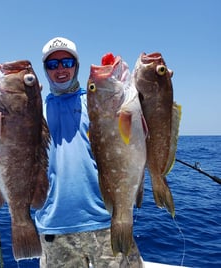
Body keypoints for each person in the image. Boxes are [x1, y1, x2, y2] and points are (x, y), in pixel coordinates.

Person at [35, 37, 143, 268]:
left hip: (106, 221)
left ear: (76, 65)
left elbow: (134, 120)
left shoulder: (95, 101)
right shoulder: (34, 112)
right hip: (54, 227)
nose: (61, 69)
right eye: (52, 65)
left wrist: (155, 89)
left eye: (66, 62)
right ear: (45, 70)